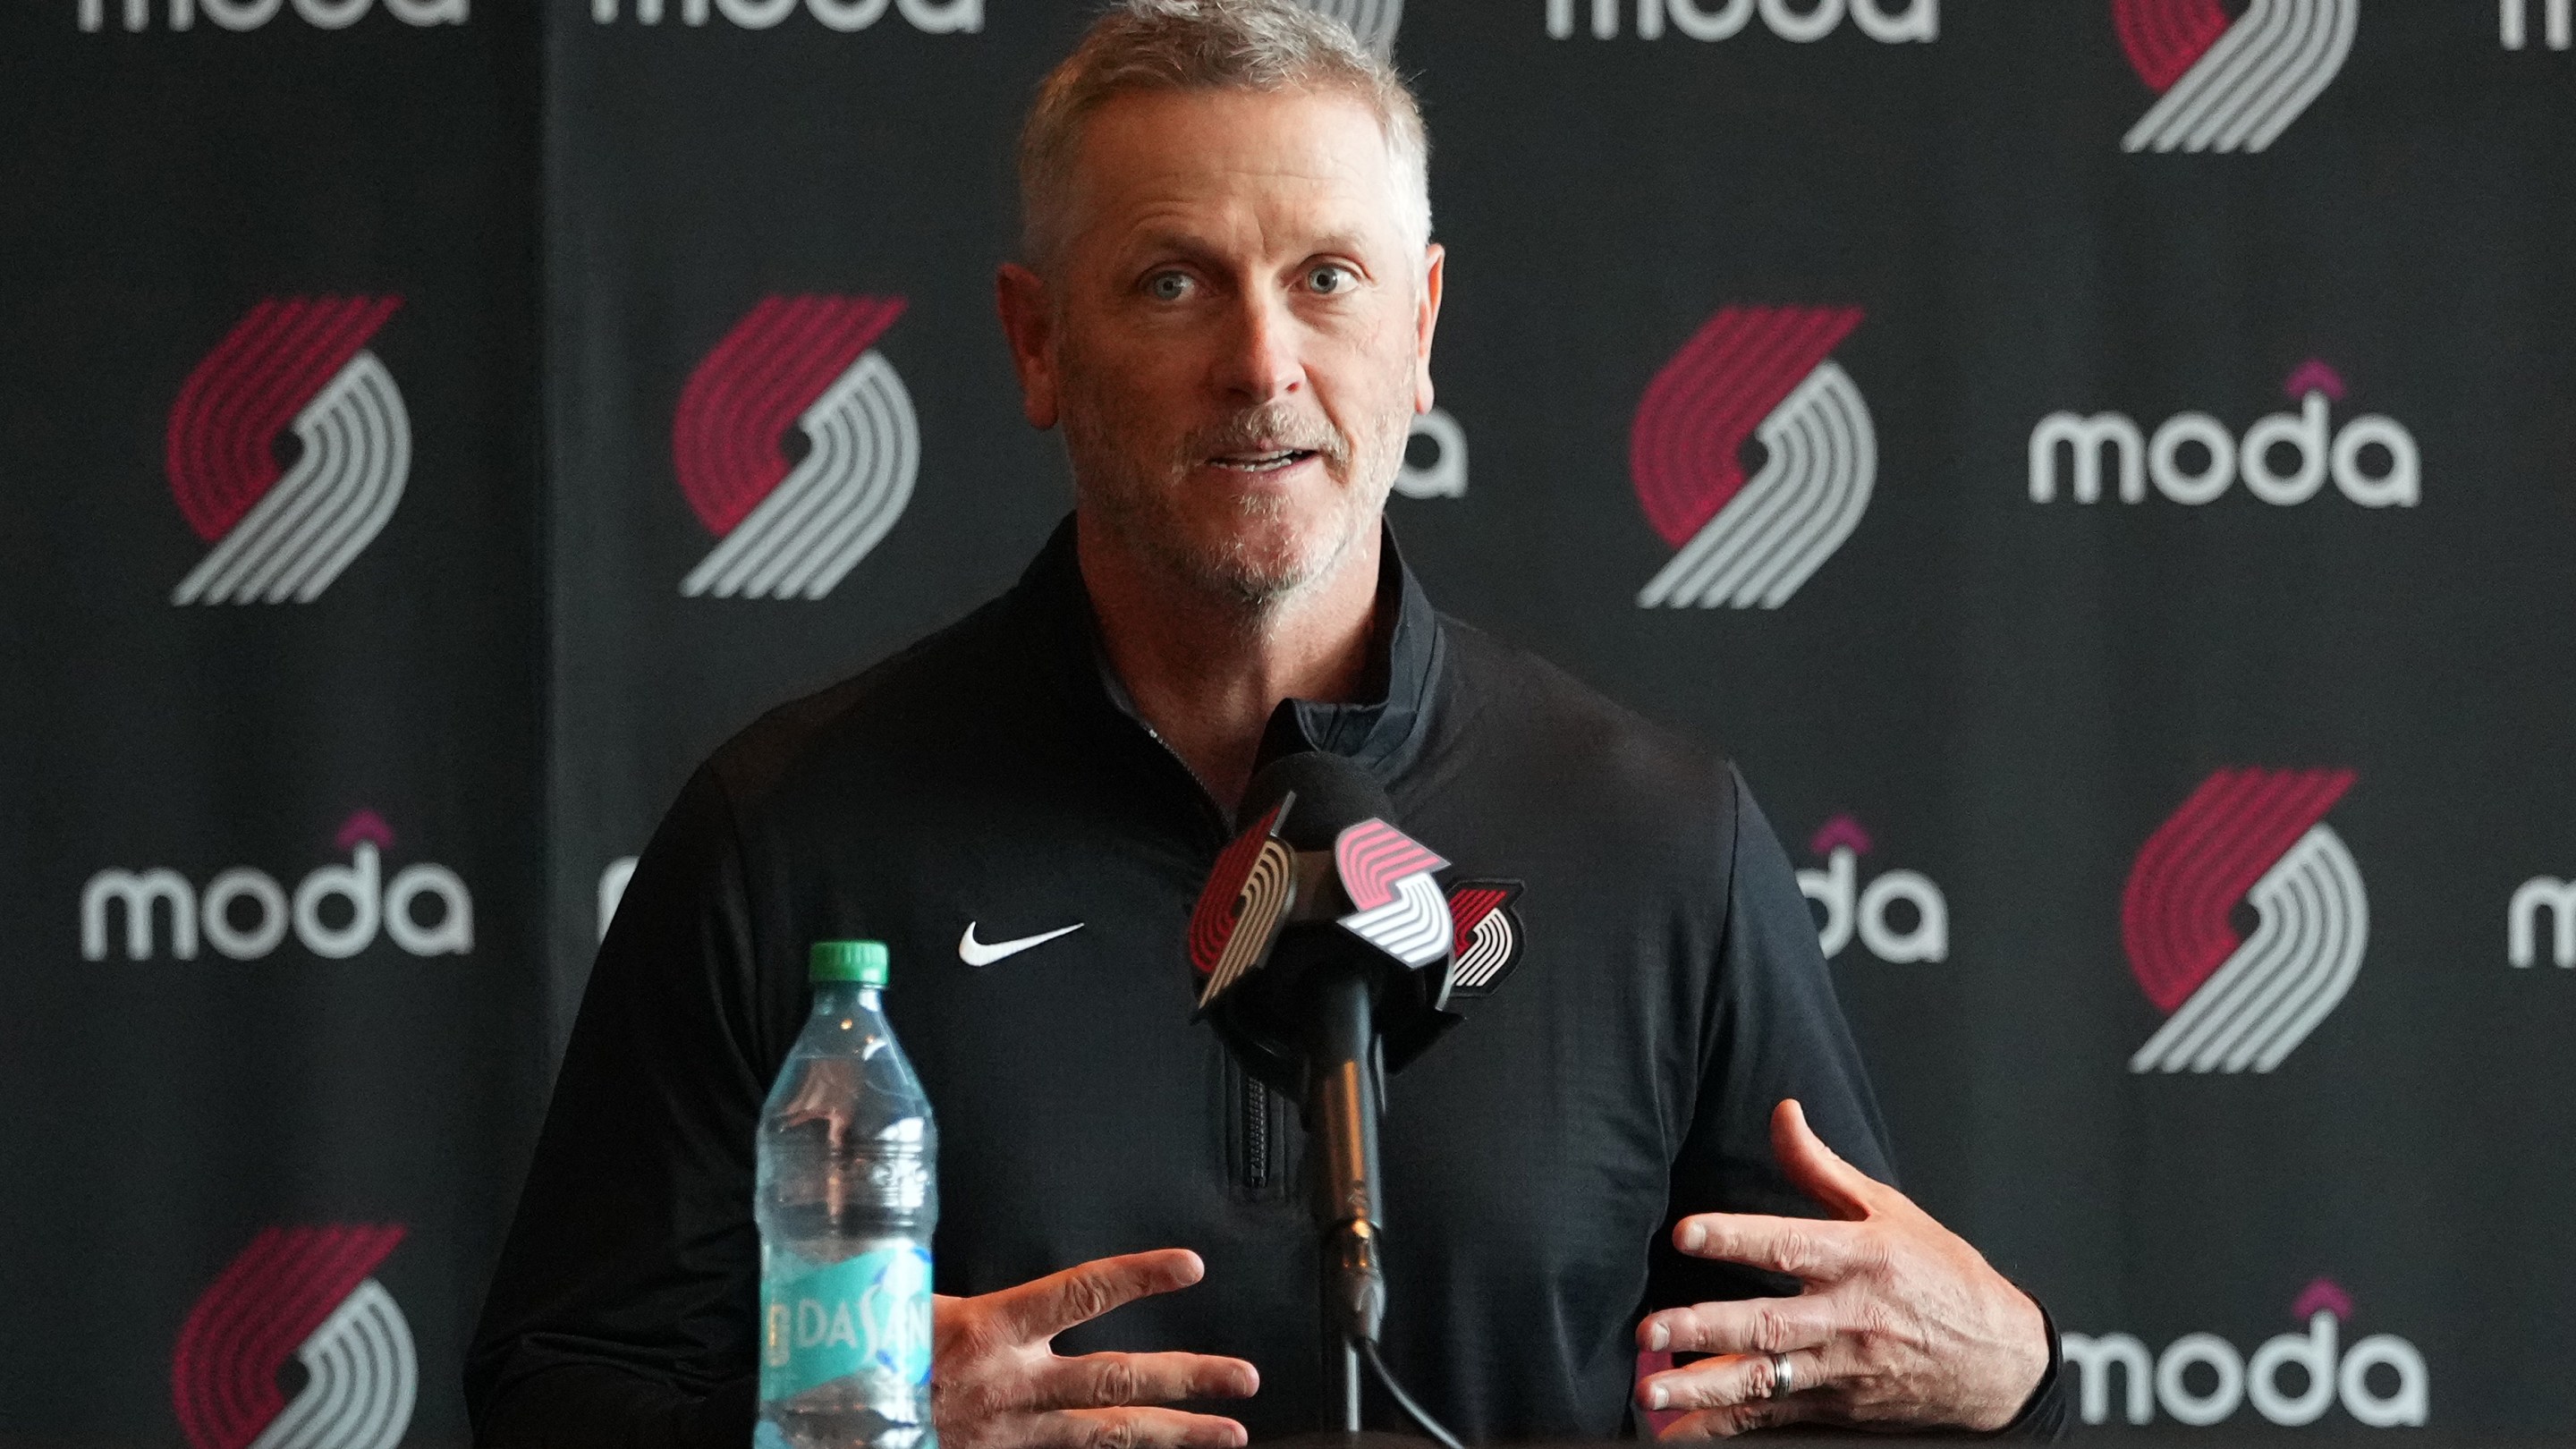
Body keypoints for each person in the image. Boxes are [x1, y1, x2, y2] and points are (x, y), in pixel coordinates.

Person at [466, 2, 2067, 1443]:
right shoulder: (793, 832)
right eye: (1174, 282)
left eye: (1328, 279)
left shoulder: (1658, 841)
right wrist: (859, 1421)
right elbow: (558, 1392)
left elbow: (1881, 1388)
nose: (1260, 362)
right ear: (1038, 341)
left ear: (1422, 326)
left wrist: (2022, 1390)